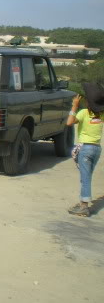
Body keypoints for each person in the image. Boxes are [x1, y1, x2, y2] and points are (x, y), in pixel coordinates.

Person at [66, 83, 104, 217]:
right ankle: (84, 201)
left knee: (85, 178)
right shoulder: (101, 115)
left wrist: (74, 106)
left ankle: (84, 206)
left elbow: (69, 122)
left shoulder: (83, 113)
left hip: (86, 149)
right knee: (87, 176)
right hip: (97, 149)